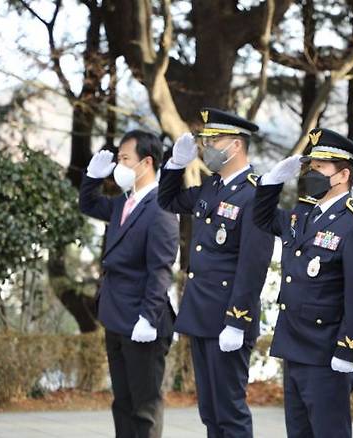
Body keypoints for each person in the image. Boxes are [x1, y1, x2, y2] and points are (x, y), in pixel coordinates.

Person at [252, 128, 353, 438]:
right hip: (294, 345)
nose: (312, 173)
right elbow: (261, 218)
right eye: (311, 166)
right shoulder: (302, 214)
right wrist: (270, 182)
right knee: (298, 432)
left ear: (343, 174)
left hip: (326, 353)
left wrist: (348, 349)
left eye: (320, 167)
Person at [157, 108, 274, 437]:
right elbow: (168, 201)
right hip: (202, 313)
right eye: (205, 140)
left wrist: (237, 320)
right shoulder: (212, 187)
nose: (206, 146)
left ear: (235, 146)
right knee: (210, 411)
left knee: (230, 411)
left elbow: (253, 266)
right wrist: (175, 166)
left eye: (213, 140)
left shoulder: (256, 195)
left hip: (227, 317)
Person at [80, 130, 179, 438]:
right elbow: (89, 205)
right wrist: (92, 178)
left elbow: (160, 270)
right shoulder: (125, 202)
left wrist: (148, 318)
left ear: (146, 162)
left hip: (142, 320)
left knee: (144, 407)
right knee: (122, 402)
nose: (118, 166)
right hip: (116, 316)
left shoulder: (160, 209)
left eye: (125, 159)